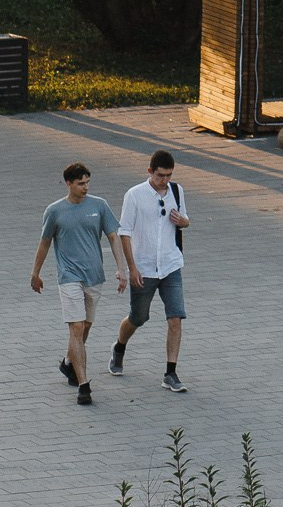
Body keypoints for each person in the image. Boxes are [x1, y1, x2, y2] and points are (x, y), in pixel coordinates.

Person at [30, 162, 128, 406]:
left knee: (85, 327)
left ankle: (68, 362)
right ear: (69, 184)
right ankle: (83, 384)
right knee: (75, 328)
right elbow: (45, 243)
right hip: (69, 277)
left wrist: (121, 268)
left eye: (87, 183)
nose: (85, 187)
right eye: (80, 183)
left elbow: (113, 236)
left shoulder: (99, 205)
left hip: (94, 277)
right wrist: (36, 273)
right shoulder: (55, 211)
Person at [111, 149, 191, 393]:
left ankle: (170, 372)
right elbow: (124, 232)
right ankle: (119, 347)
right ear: (149, 172)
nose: (164, 181)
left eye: (168, 175)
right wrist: (131, 267)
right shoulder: (134, 195)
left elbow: (186, 219)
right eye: (160, 176)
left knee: (176, 317)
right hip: (144, 268)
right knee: (139, 317)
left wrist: (183, 222)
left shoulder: (176, 191)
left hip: (170, 265)